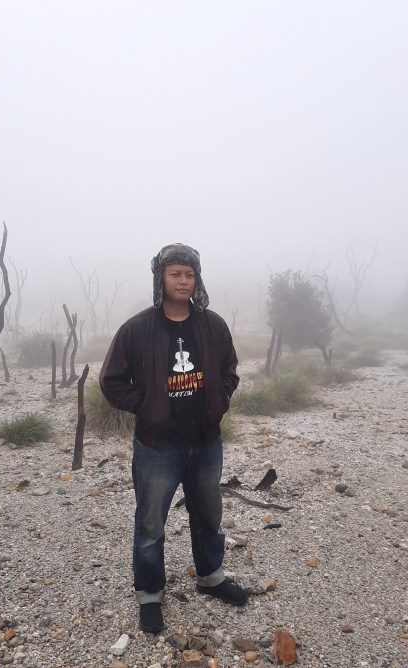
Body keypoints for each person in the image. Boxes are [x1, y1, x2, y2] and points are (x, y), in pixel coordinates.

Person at [99, 243, 248, 634]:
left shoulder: (213, 325)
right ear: (160, 278)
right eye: (175, 274)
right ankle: (150, 594)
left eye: (190, 274)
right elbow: (111, 381)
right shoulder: (137, 329)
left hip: (206, 441)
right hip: (157, 446)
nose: (184, 281)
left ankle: (211, 577)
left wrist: (219, 400)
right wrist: (147, 406)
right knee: (151, 524)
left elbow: (230, 370)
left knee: (209, 517)